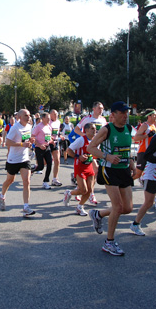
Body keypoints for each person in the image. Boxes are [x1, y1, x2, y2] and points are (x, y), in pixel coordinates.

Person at [86, 101, 135, 256]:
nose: (125, 115)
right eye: (122, 113)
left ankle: (98, 214)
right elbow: (90, 148)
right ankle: (109, 242)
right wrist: (107, 156)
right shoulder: (107, 129)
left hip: (124, 170)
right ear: (113, 115)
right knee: (118, 207)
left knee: (128, 208)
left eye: (126, 112)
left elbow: (126, 150)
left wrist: (132, 163)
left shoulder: (128, 128)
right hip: (109, 170)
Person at [0, 109, 36, 217]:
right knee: (10, 180)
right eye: (25, 115)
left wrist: (30, 141)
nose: (28, 117)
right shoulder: (15, 128)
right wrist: (21, 144)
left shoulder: (29, 126)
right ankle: (2, 195)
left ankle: (26, 207)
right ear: (19, 117)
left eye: (29, 115)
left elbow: (27, 139)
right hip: (13, 159)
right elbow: (8, 142)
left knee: (27, 181)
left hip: (24, 158)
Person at [74, 101, 107, 205]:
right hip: (87, 148)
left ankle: (79, 188)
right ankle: (91, 194)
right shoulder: (87, 119)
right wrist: (85, 136)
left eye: (102, 108)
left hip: (97, 147)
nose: (101, 110)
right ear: (93, 109)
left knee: (94, 172)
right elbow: (76, 129)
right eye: (99, 108)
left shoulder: (103, 120)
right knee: (95, 170)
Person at [63, 122, 97, 216]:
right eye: (92, 129)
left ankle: (79, 207)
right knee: (83, 190)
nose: (95, 130)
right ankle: (69, 193)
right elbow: (68, 150)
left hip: (89, 166)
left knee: (90, 190)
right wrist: (78, 156)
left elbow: (95, 152)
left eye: (95, 129)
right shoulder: (81, 140)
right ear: (86, 130)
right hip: (80, 166)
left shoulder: (95, 140)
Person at [31, 112, 55, 189]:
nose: (49, 119)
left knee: (50, 163)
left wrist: (52, 141)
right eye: (47, 118)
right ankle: (31, 171)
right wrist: (39, 145)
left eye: (49, 118)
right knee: (41, 166)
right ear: (43, 118)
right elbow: (32, 137)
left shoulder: (49, 126)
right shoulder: (38, 127)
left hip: (47, 147)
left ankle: (45, 181)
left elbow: (49, 137)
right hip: (39, 148)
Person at [48, 109, 63, 186]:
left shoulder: (58, 122)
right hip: (48, 142)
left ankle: (55, 179)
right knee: (44, 163)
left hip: (56, 142)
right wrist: (51, 139)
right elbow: (45, 133)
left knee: (57, 160)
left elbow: (57, 132)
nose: (56, 115)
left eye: (57, 114)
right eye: (54, 114)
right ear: (50, 115)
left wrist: (60, 136)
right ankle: (33, 169)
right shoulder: (47, 122)